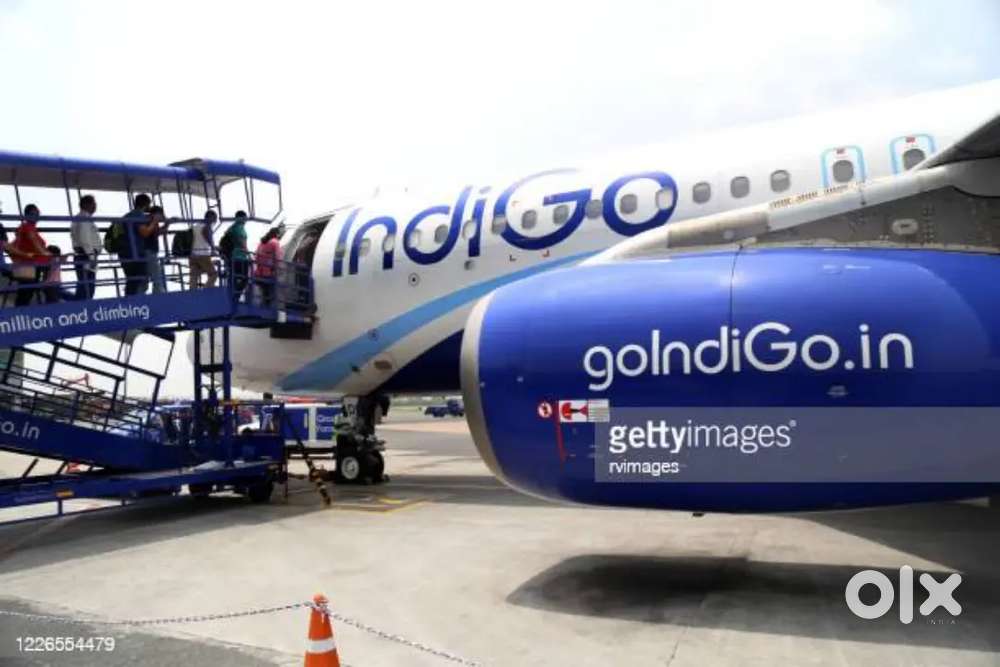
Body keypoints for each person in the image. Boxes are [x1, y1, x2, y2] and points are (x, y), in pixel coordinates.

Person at [6, 205, 51, 306]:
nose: (36, 216)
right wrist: (46, 253)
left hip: (33, 266)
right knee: (25, 294)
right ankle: (19, 313)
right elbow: (34, 242)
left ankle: (20, 312)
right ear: (26, 215)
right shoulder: (27, 227)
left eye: (38, 214)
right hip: (29, 266)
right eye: (33, 214)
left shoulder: (29, 228)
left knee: (27, 293)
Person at [70, 194, 100, 300]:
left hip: (84, 255)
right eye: (93, 203)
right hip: (86, 256)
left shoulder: (79, 218)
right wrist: (92, 257)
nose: (95, 206)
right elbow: (85, 239)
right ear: (87, 204)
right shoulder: (84, 218)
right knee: (87, 290)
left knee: (85, 288)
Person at [120, 194, 151, 295]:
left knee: (132, 281)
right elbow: (144, 232)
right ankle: (135, 301)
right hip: (135, 253)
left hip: (124, 253)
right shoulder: (138, 215)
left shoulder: (127, 216)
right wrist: (154, 222)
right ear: (146, 204)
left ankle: (129, 300)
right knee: (140, 280)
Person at [189, 210, 218, 288]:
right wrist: (213, 249)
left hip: (193, 255)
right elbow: (207, 236)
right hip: (203, 254)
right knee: (213, 274)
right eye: (214, 219)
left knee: (194, 274)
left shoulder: (194, 227)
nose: (214, 221)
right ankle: (206, 289)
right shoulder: (206, 226)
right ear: (210, 217)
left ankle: (192, 291)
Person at [254, 228, 282, 306]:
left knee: (264, 292)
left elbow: (256, 257)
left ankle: (263, 305)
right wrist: (277, 269)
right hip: (269, 273)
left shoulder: (261, 243)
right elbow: (278, 257)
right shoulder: (275, 242)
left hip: (259, 273)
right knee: (270, 294)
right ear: (276, 234)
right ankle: (267, 306)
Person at [226, 210, 250, 300]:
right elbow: (242, 241)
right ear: (241, 218)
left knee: (233, 278)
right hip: (240, 257)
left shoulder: (231, 228)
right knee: (245, 279)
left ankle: (230, 296)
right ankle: (235, 297)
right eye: (245, 218)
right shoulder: (240, 228)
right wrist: (248, 253)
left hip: (231, 256)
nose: (245, 220)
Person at [143, 205, 167, 293]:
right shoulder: (149, 220)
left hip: (148, 251)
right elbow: (153, 233)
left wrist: (167, 224)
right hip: (149, 251)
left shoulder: (151, 220)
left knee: (147, 276)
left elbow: (157, 233)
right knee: (156, 275)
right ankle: (159, 295)